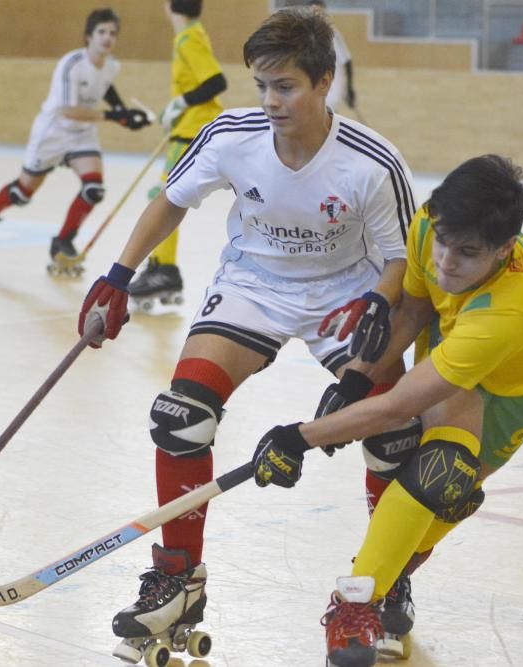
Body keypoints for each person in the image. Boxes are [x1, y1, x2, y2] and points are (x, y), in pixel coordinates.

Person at [76, 7, 415, 662]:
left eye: (284, 85)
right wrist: (118, 275)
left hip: (345, 294)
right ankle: (178, 577)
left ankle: (384, 577)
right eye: (261, 84)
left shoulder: (372, 161)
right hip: (254, 286)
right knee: (181, 415)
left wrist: (379, 296)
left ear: (324, 81)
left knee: (394, 429)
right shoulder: (231, 134)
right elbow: (172, 198)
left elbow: (403, 254)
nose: (269, 100)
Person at [251, 155, 523, 667]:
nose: (446, 260)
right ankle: (354, 606)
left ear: (505, 248)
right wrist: (357, 377)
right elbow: (416, 306)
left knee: (440, 491)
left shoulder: (513, 311)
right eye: (444, 243)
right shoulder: (431, 223)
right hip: (455, 339)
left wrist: (298, 437)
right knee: (440, 471)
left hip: (521, 383)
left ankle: (394, 570)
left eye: (467, 253)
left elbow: (399, 406)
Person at [0, 8, 151, 269]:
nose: (107, 38)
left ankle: (63, 241)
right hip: (53, 132)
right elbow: (68, 110)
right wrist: (114, 116)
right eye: (101, 32)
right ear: (88, 36)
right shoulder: (71, 64)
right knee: (22, 193)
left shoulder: (112, 66)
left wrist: (124, 113)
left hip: (81, 134)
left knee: (93, 189)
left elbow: (105, 86)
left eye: (113, 33)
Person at [128, 0, 226, 311]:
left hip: (191, 131)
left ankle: (164, 270)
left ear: (169, 6)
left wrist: (182, 102)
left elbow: (215, 81)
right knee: (162, 196)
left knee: (163, 197)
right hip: (185, 129)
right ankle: (161, 264)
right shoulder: (194, 32)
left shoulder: (188, 38)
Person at [308, 1, 357, 113]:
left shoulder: (332, 35)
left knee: (326, 114)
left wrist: (349, 89)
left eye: (319, 12)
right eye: (313, 12)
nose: (316, 16)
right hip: (313, 84)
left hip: (332, 85)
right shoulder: (304, 35)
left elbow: (347, 61)